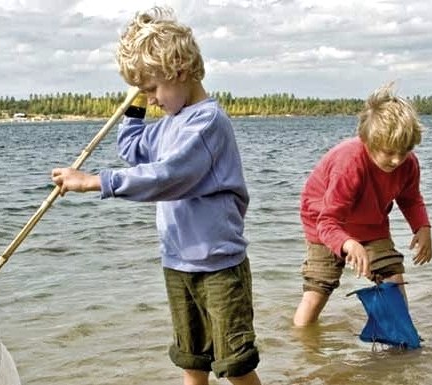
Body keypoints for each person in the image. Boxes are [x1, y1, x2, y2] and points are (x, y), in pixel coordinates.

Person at [51, 6, 262, 385]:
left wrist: (93, 182)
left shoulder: (207, 123)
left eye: (152, 90)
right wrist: (132, 103)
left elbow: (164, 177)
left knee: (235, 366)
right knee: (191, 360)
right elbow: (133, 148)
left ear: (179, 71)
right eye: (143, 92)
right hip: (178, 263)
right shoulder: (170, 123)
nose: (150, 100)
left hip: (218, 265)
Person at [293, 82, 432, 327]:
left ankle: (399, 339)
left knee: (393, 276)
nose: (397, 159)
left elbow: (410, 199)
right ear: (368, 141)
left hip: (370, 221)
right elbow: (328, 221)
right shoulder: (350, 163)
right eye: (389, 152)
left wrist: (422, 227)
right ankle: (302, 339)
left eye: (405, 151)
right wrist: (347, 243)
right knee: (319, 287)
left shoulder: (407, 164)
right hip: (323, 222)